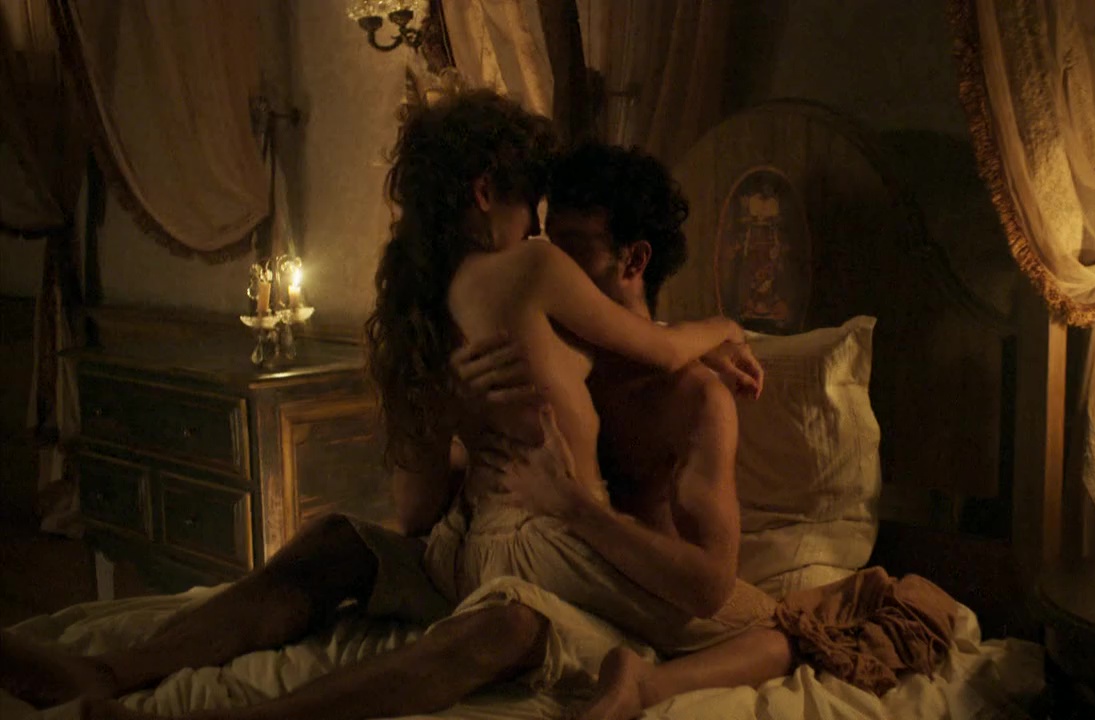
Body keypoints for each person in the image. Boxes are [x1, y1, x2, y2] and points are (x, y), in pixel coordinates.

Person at [0, 91, 790, 720]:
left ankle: (140, 681)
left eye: (564, 241)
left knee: (407, 571)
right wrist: (723, 327)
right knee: (778, 629)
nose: (542, 241)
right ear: (487, 194)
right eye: (535, 217)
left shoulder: (431, 305)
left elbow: (421, 511)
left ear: (634, 259)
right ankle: (132, 678)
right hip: (522, 547)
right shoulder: (533, 288)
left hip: (503, 558)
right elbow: (420, 516)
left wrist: (467, 417)